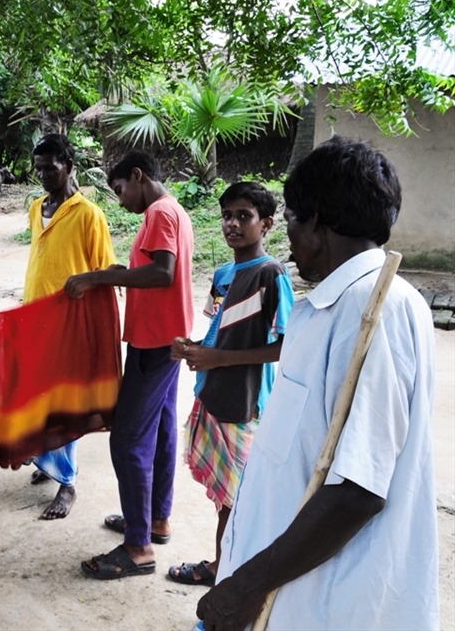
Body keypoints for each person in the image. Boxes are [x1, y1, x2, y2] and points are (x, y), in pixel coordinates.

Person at [196, 136, 438, 630]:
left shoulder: (374, 309)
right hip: (297, 592)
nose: (287, 238)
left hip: (329, 603)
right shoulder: (335, 305)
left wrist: (247, 585)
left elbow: (358, 489)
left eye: (289, 221)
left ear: (318, 223)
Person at [64, 150, 194, 579]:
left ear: (138, 176)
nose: (118, 200)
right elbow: (154, 270)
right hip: (167, 336)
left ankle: (138, 548)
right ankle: (154, 520)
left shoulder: (159, 212)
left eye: (119, 189)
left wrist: (98, 277)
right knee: (158, 430)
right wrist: (120, 269)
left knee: (127, 439)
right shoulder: (172, 209)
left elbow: (162, 274)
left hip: (154, 341)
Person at [167, 182, 294, 587]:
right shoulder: (223, 275)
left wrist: (218, 358)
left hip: (246, 405)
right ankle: (223, 571)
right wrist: (192, 350)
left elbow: (285, 346)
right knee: (227, 503)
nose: (233, 224)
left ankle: (227, 578)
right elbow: (217, 331)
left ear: (267, 223)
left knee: (237, 506)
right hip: (214, 397)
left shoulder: (271, 275)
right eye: (227, 216)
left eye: (244, 216)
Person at [23, 133, 116, 520]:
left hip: (69, 322)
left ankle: (68, 484)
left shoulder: (88, 214)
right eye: (39, 168)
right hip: (34, 316)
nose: (44, 174)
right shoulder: (35, 208)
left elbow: (106, 270)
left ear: (69, 166)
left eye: (52, 167)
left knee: (64, 399)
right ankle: (48, 462)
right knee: (38, 395)